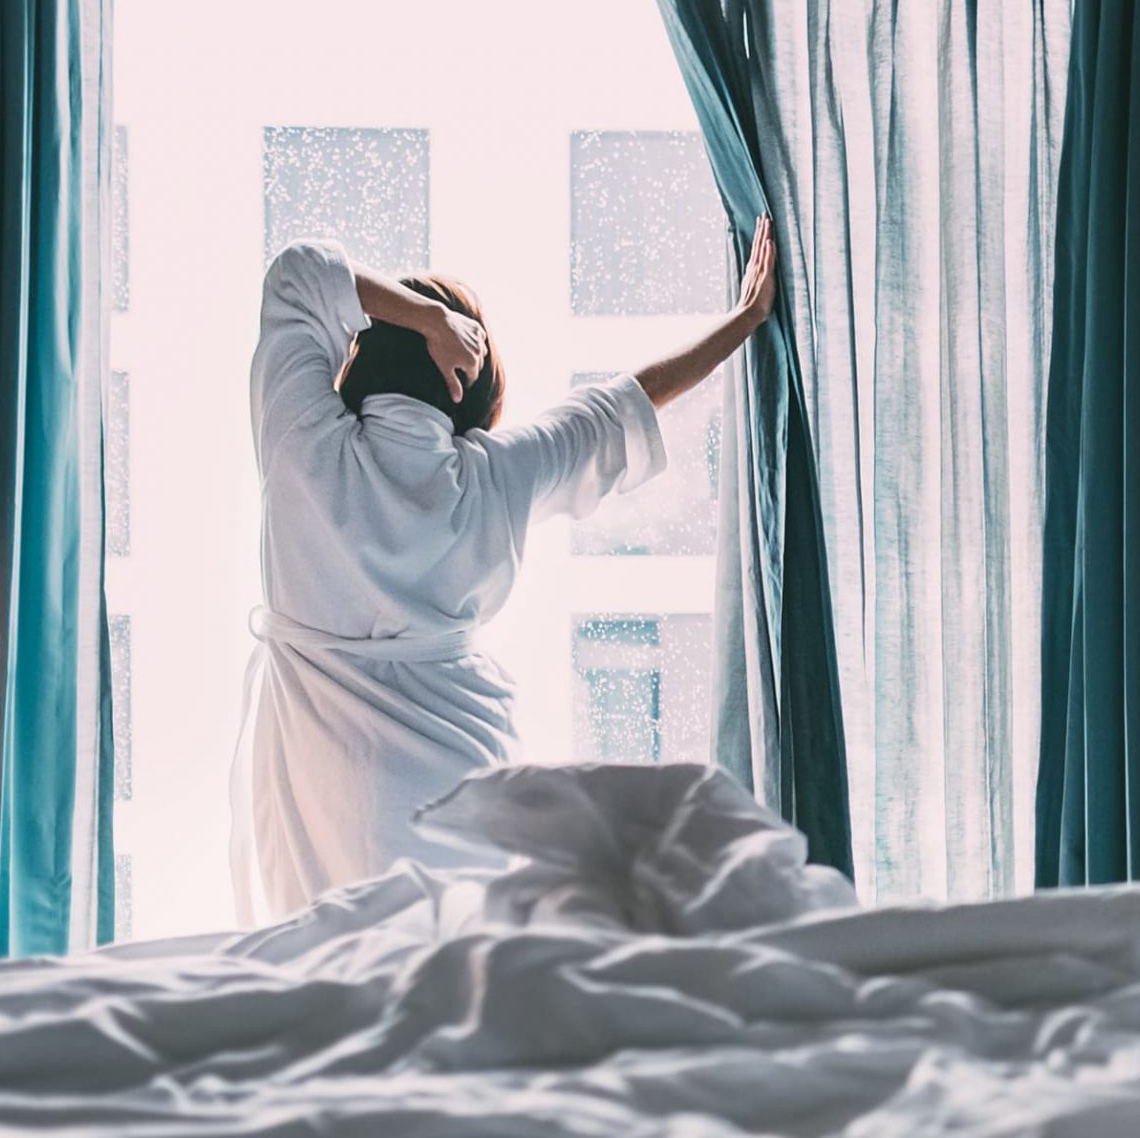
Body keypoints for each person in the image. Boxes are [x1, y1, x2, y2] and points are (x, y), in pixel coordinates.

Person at [232, 216, 778, 922]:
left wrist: (424, 317)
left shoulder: (302, 445)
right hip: (464, 783)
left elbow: (296, 272)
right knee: (468, 972)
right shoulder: (502, 474)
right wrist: (745, 320)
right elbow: (630, 400)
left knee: (340, 969)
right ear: (469, 382)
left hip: (322, 781)